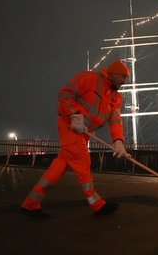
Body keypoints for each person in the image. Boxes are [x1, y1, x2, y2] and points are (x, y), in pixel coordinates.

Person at [20, 59, 132, 219]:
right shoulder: (89, 78)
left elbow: (115, 120)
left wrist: (118, 142)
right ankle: (97, 205)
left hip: (84, 132)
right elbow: (65, 94)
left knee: (60, 166)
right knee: (82, 161)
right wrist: (74, 115)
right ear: (113, 73)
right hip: (69, 126)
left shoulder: (115, 97)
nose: (124, 81)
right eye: (123, 77)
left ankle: (30, 203)